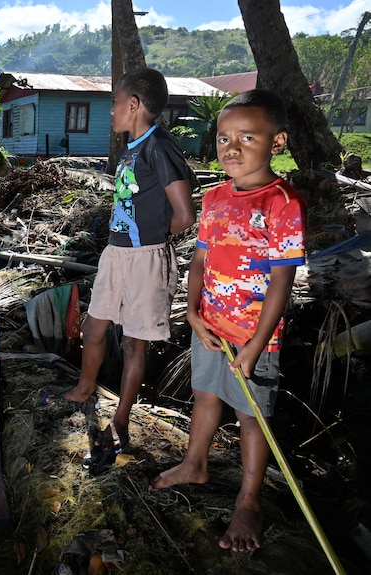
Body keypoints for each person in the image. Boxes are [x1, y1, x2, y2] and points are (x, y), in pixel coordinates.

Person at [150, 89, 307, 553]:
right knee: (204, 396)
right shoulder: (215, 198)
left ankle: (248, 501)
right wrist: (193, 312)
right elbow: (200, 260)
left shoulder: (282, 203)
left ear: (276, 143)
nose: (231, 148)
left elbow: (282, 282)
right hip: (211, 328)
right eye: (223, 139)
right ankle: (194, 463)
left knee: (250, 418)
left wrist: (257, 345)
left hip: (253, 337)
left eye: (247, 138)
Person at [42, 68, 195, 467]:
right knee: (94, 327)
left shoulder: (159, 147)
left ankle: (121, 421)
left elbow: (184, 214)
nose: (110, 111)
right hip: (116, 254)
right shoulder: (131, 148)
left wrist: (147, 245)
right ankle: (85, 387)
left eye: (114, 102)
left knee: (133, 344)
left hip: (144, 259)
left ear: (134, 105)